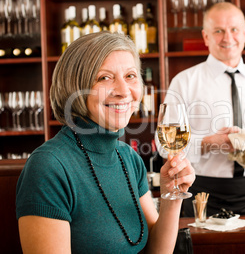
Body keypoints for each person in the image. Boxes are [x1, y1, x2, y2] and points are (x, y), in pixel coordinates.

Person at [16, 32, 195, 253]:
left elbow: (157, 251)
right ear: (76, 88)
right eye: (104, 77)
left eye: (130, 76)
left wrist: (171, 196)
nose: (123, 91)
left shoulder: (129, 158)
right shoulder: (48, 167)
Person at [159, 2, 245, 217]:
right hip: (199, 193)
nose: (227, 38)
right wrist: (208, 143)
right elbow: (164, 147)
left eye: (234, 30)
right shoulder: (184, 82)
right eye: (218, 31)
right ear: (206, 37)